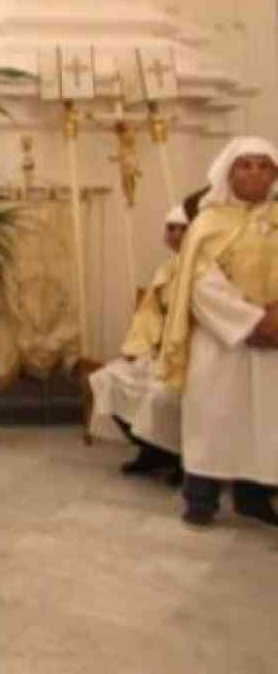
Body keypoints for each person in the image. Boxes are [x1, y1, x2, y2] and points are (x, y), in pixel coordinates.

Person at [147, 138, 278, 529]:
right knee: (213, 418)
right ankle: (201, 498)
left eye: (264, 165)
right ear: (228, 173)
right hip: (221, 340)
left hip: (275, 340)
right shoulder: (206, 223)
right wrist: (250, 322)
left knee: (265, 421)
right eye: (245, 165)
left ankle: (254, 497)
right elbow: (200, 281)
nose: (255, 173)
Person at [89, 205, 189, 483]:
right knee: (106, 379)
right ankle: (151, 451)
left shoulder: (202, 269)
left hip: (185, 357)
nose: (175, 234)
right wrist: (136, 349)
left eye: (182, 229)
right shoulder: (166, 269)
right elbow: (149, 313)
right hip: (157, 352)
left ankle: (181, 458)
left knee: (160, 398)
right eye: (170, 228)